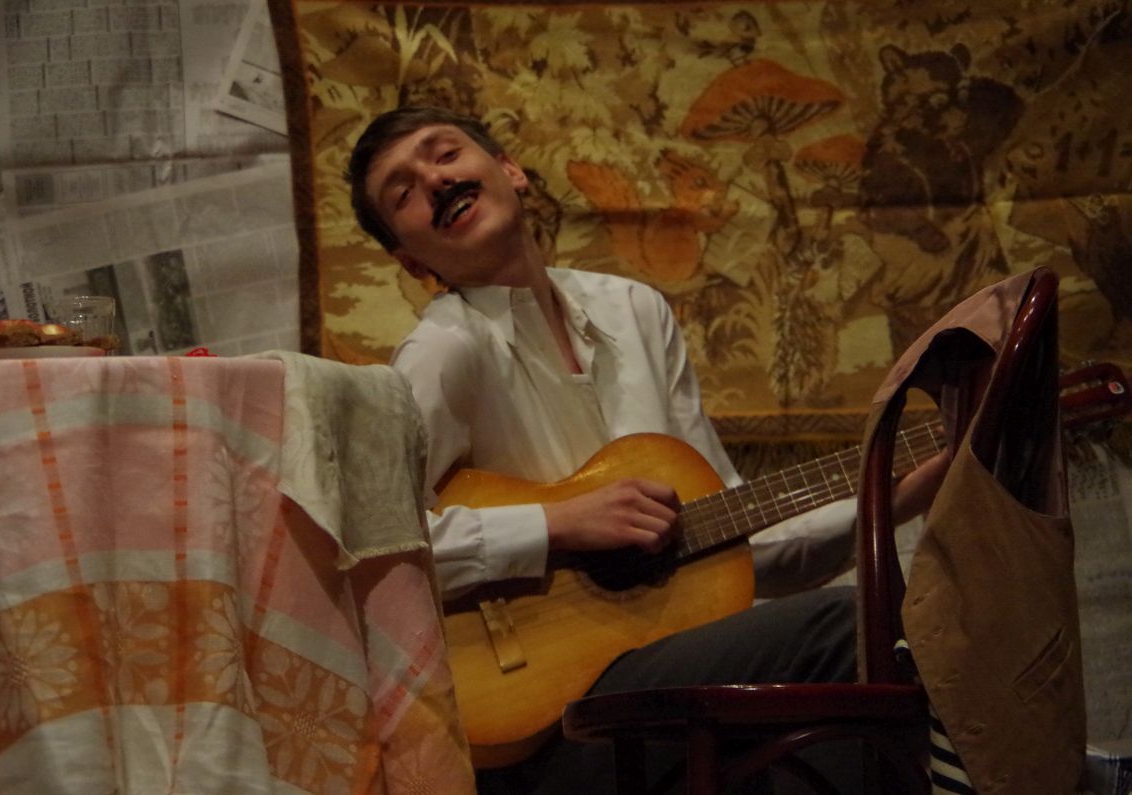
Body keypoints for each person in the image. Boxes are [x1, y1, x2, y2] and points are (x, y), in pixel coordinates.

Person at [346, 105, 948, 793]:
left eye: (445, 153)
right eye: (403, 191)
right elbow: (372, 552)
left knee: (876, 626)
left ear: (511, 170)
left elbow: (735, 539)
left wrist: (898, 495)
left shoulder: (635, 311)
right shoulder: (440, 352)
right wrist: (555, 525)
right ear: (410, 260)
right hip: (549, 723)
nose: (434, 180)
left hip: (667, 684)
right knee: (846, 628)